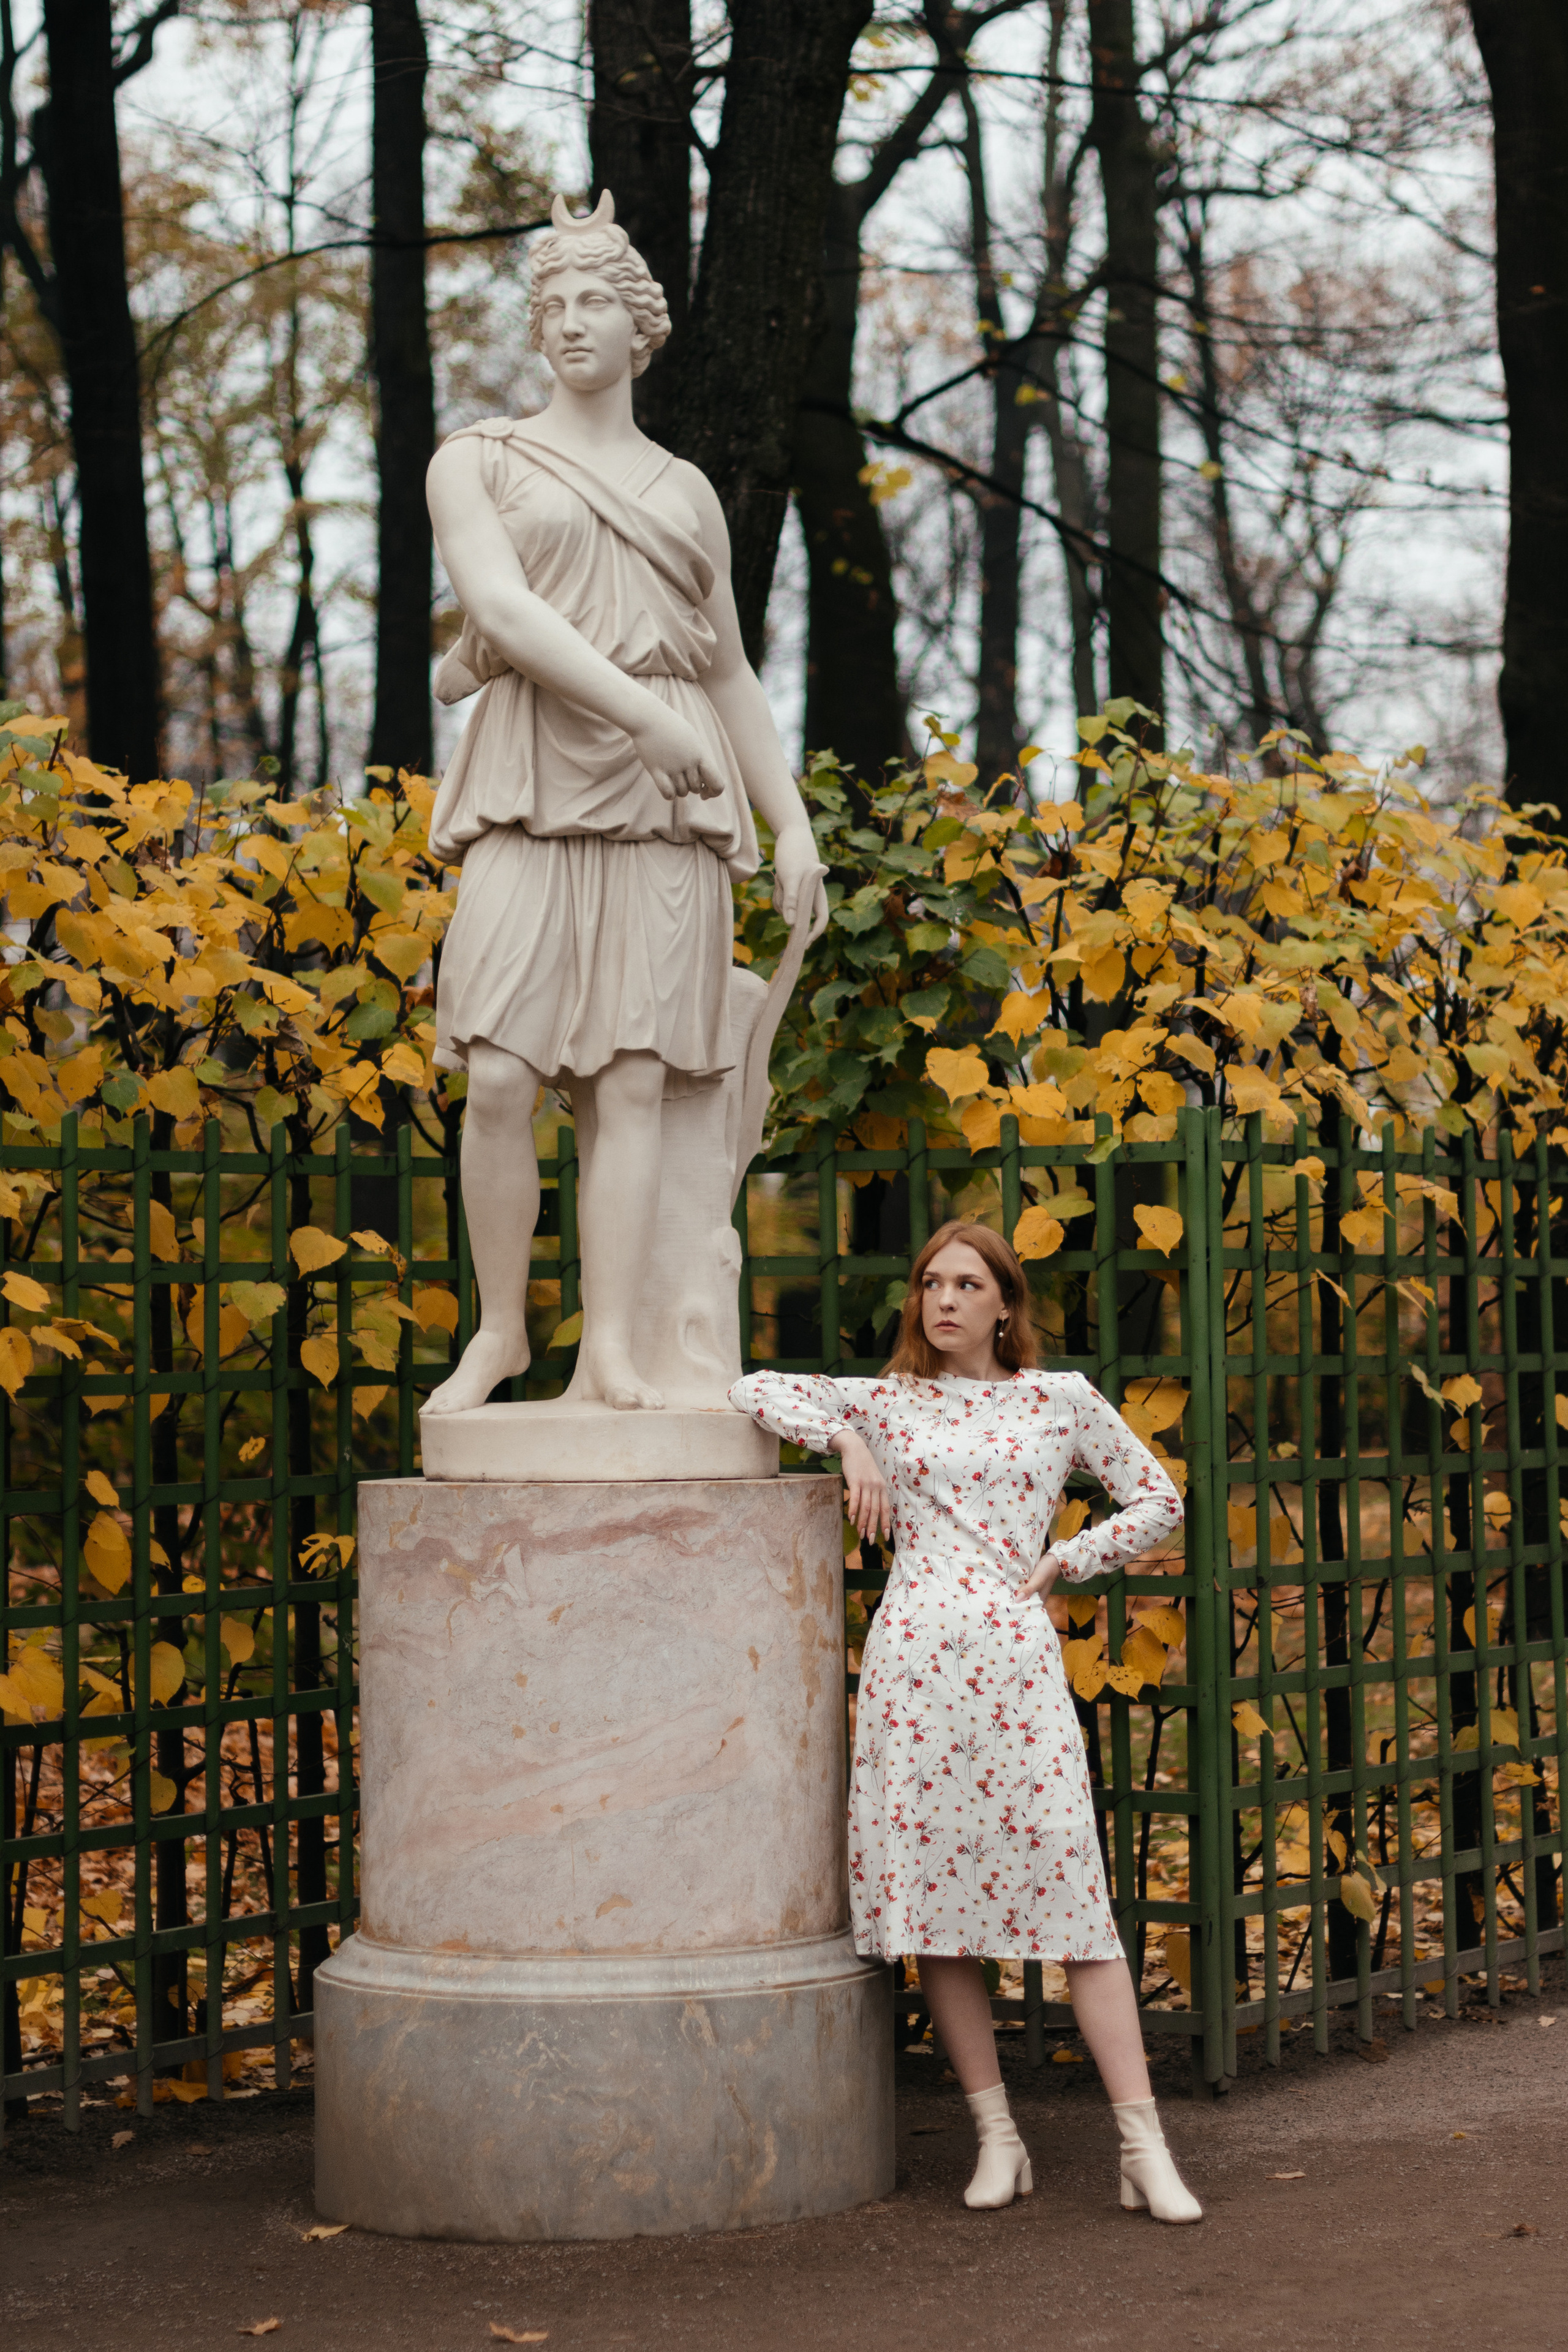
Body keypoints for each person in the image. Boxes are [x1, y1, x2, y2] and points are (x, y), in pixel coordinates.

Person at [422, 191, 826, 1419]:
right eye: (551, 303)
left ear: (640, 326)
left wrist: (793, 823)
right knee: (499, 1075)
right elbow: (501, 614)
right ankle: (500, 1330)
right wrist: (641, 717)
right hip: (535, 778)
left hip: (668, 807)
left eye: (594, 299)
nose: (569, 321)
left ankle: (612, 1350)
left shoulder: (685, 490)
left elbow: (728, 671)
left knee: (633, 1086)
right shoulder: (478, 461)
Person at [728, 1220, 1202, 2222]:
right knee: (936, 1913)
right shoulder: (890, 1401)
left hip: (1016, 1670)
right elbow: (753, 1386)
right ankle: (998, 2139)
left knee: (1079, 1907)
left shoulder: (1058, 1399)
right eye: (931, 1283)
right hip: (913, 1673)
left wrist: (1069, 1558)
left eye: (968, 1285)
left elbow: (1158, 1499)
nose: (944, 1300)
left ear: (1005, 1305)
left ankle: (1143, 2148)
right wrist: (848, 1440)